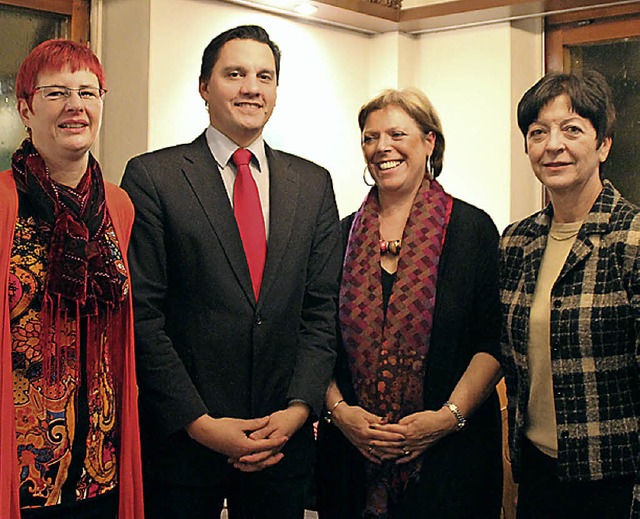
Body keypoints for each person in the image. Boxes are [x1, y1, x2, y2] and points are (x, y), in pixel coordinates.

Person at [120, 25, 341, 519]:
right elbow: (144, 317)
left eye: (265, 76)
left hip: (280, 441)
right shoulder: (154, 177)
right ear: (204, 87)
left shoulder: (313, 183)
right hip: (183, 444)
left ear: (277, 91)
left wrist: (297, 411)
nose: (251, 87)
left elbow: (321, 312)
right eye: (235, 73)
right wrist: (200, 423)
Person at [315, 88, 503, 518]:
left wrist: (446, 417)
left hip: (452, 460)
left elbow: (493, 343)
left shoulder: (473, 230)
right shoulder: (338, 237)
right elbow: (314, 338)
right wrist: (342, 414)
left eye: (397, 133)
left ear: (429, 141)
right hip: (350, 458)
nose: (383, 148)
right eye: (370, 137)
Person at [0, 40, 144, 519]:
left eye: (88, 91)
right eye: (57, 92)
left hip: (100, 468)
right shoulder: (3, 203)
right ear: (25, 107)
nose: (76, 106)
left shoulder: (118, 208)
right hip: (17, 469)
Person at [500, 70, 640, 518]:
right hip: (539, 472)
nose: (552, 145)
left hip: (615, 478)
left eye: (572, 129)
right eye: (538, 132)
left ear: (604, 145)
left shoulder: (631, 238)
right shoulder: (517, 241)